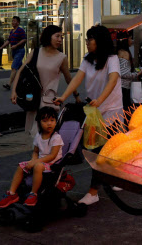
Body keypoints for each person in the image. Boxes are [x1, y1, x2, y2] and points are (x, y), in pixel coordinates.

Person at [54, 25, 124, 206]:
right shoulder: (87, 59)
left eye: (89, 39)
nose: (86, 43)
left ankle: (94, 192)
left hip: (111, 110)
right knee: (97, 150)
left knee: (105, 150)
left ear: (99, 41)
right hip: (93, 111)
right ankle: (110, 178)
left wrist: (100, 100)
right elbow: (77, 78)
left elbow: (113, 79)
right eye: (86, 39)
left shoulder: (112, 58)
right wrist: (63, 96)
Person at [11, 25, 81, 140]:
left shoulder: (61, 57)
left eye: (61, 37)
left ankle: (45, 157)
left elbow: (69, 79)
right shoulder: (36, 52)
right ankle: (40, 157)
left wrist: (76, 96)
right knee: (36, 138)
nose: (60, 40)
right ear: (48, 36)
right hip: (33, 100)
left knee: (46, 138)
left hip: (49, 102)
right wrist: (14, 91)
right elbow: (21, 71)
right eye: (57, 36)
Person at [0, 107, 63, 208]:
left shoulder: (56, 137)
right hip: (40, 162)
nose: (49, 123)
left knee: (38, 166)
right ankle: (12, 193)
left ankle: (33, 193)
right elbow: (36, 151)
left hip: (53, 164)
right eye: (45, 121)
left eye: (52, 120)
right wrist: (33, 160)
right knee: (21, 166)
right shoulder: (38, 136)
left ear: (56, 122)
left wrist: (35, 162)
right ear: (39, 122)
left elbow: (52, 156)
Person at [0, 16, 26, 89]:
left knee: (14, 67)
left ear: (18, 22)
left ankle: (9, 84)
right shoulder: (12, 31)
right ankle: (26, 80)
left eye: (14, 21)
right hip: (14, 51)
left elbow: (24, 39)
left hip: (19, 51)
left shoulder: (20, 30)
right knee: (20, 68)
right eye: (12, 21)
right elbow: (8, 41)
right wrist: (1, 47)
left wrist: (16, 45)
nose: (13, 22)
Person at [116, 31, 138, 112]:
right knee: (125, 110)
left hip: (119, 86)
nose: (131, 41)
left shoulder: (118, 51)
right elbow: (124, 73)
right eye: (130, 38)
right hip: (123, 87)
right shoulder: (124, 53)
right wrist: (136, 74)